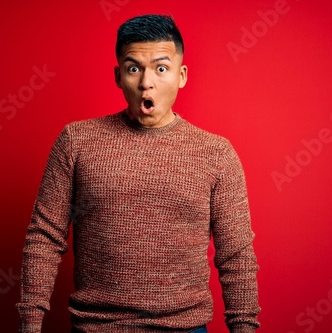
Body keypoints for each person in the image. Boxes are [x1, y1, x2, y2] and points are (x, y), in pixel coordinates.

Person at [16, 14, 261, 333]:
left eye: (161, 68)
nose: (147, 82)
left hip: (184, 328)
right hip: (95, 328)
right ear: (119, 76)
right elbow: (44, 237)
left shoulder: (216, 153)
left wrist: (244, 328)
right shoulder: (76, 141)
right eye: (134, 68)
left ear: (181, 75)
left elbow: (236, 255)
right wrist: (29, 326)